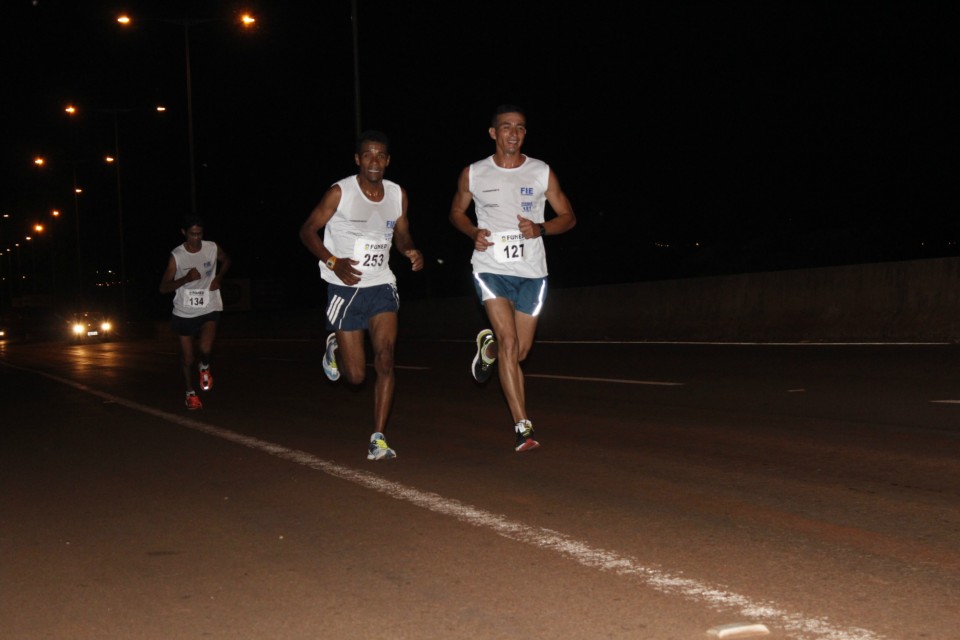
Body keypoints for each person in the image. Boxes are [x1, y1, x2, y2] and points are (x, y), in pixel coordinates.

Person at [448, 104, 576, 452]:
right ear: (493, 133)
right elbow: (456, 212)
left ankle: (486, 348)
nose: (513, 133)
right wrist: (473, 231)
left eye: (519, 128)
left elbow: (568, 216)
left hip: (532, 272)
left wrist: (541, 228)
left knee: (518, 352)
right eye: (506, 127)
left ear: (524, 134)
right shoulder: (473, 173)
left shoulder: (541, 172)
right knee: (509, 344)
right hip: (490, 267)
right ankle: (523, 426)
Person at [299, 130, 423, 461]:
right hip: (345, 286)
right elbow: (307, 231)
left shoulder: (397, 194)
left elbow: (402, 232)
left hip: (381, 284)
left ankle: (378, 437)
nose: (374, 161)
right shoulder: (340, 192)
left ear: (388, 161)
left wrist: (409, 249)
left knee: (385, 357)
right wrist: (333, 261)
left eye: (380, 155)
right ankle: (335, 345)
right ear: (358, 159)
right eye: (367, 154)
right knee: (355, 377)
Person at [159, 214, 231, 410]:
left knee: (206, 349)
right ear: (184, 233)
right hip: (185, 311)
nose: (196, 238)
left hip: (209, 303)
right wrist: (185, 279)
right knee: (188, 357)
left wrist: (219, 278)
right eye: (192, 234)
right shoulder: (177, 256)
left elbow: (226, 261)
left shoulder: (212, 247)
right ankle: (190, 393)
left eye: (200, 234)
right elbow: (163, 287)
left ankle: (205, 367)